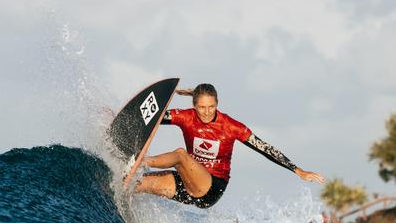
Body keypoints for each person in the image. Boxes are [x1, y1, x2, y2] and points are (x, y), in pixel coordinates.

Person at [135, 83, 325, 208]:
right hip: (188, 181)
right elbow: (153, 118)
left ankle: (141, 161)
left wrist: (297, 170)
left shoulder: (231, 127)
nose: (207, 112)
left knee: (180, 155)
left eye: (211, 107)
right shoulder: (186, 117)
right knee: (137, 184)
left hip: (212, 188)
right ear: (194, 106)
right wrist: (128, 118)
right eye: (201, 107)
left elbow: (265, 148)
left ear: (217, 104)